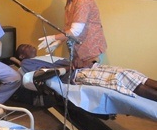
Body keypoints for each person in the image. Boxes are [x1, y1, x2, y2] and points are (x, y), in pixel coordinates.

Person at [15, 43, 157, 102]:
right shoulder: (26, 63)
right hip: (75, 75)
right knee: (120, 78)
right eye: (25, 47)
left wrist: (83, 62)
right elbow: (46, 74)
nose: (29, 45)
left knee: (127, 72)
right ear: (21, 56)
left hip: (84, 67)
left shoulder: (43, 58)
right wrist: (73, 67)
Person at [38, 0, 107, 69]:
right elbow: (69, 28)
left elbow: (75, 31)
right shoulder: (70, 0)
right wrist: (59, 42)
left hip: (91, 51)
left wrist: (53, 38)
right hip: (79, 51)